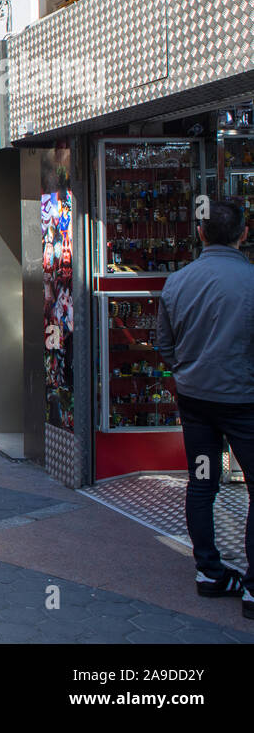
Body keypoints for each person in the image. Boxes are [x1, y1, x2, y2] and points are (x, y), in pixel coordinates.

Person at [156, 198, 254, 616]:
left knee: (202, 481)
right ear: (243, 234)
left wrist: (186, 371)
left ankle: (209, 571)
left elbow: (164, 344)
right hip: (243, 404)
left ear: (200, 233)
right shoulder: (250, 280)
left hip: (196, 404)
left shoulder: (178, 282)